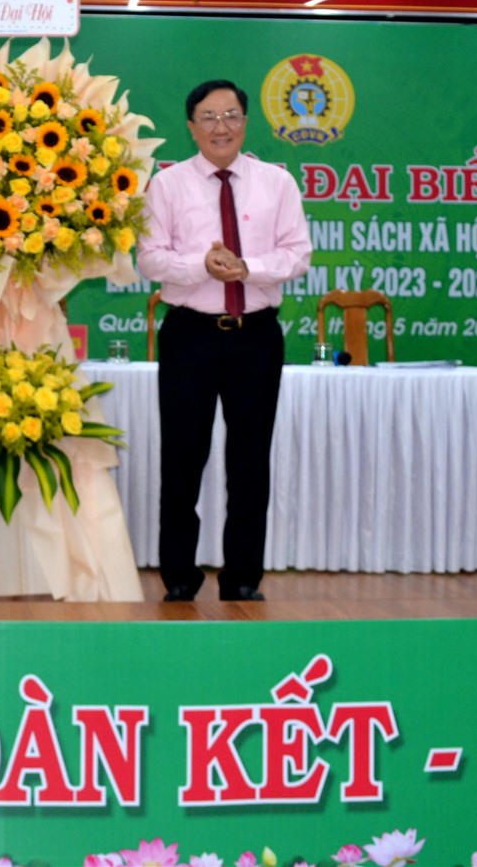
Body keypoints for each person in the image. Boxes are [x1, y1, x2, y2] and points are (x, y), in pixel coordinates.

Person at [137, 79, 312, 603]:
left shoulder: (277, 182)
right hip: (190, 336)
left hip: (255, 338)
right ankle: (180, 578)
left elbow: (297, 254)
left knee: (250, 461)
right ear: (190, 127)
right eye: (209, 117)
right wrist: (201, 265)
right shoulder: (166, 186)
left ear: (246, 122)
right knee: (182, 460)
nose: (222, 126)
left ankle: (242, 578)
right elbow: (150, 259)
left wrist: (246, 269)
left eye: (232, 115)